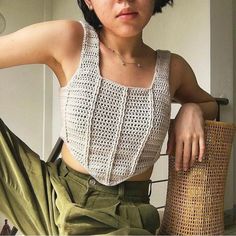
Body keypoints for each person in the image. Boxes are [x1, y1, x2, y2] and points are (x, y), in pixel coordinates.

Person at [0, 0, 218, 235]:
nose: (125, 0)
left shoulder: (173, 68)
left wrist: (192, 109)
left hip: (125, 215)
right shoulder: (70, 39)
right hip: (51, 195)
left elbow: (210, 105)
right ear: (88, 1)